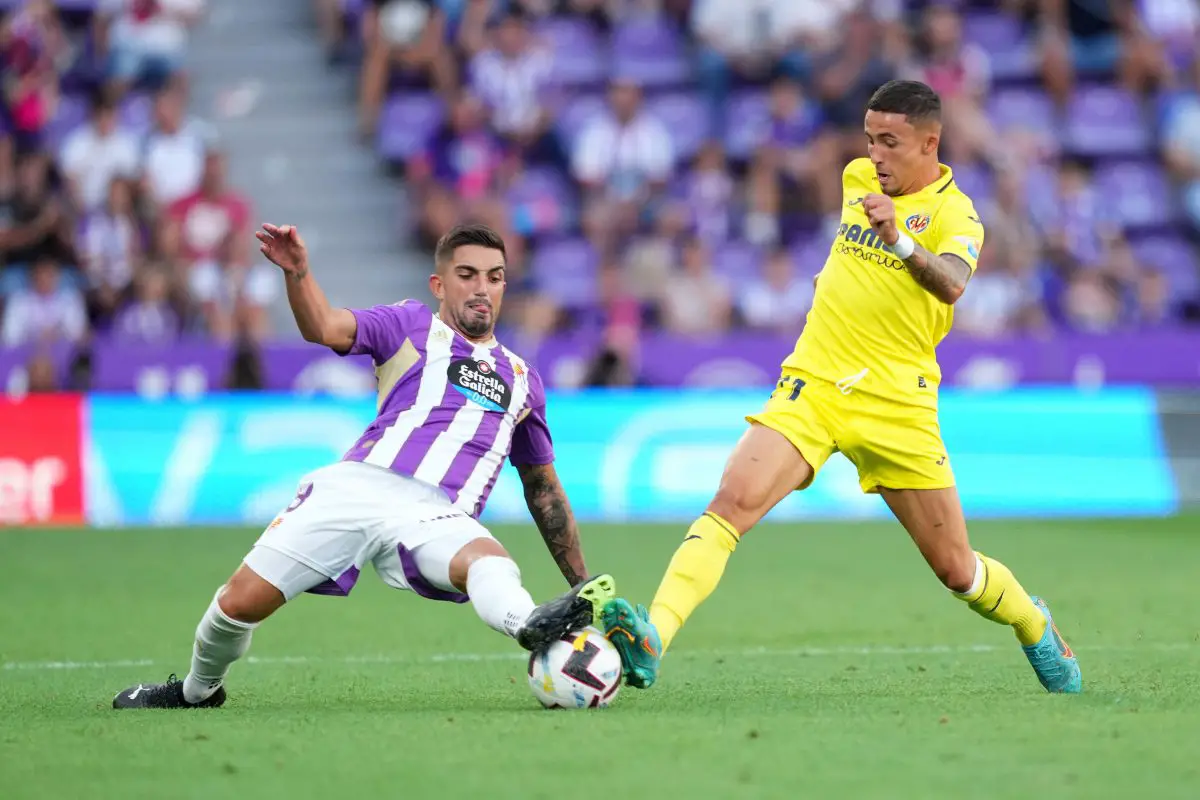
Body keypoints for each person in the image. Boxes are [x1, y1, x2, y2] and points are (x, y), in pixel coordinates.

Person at [600, 80, 1082, 695]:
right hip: (816, 384)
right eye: (870, 139)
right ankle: (652, 638)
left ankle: (1033, 621)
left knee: (957, 570)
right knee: (732, 501)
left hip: (897, 405)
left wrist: (900, 240)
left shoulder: (955, 214)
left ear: (929, 142)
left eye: (891, 142)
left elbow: (954, 283)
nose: (875, 154)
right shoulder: (860, 178)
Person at [112, 222, 616, 709]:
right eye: (467, 275)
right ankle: (196, 692)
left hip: (437, 513)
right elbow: (324, 325)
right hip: (358, 487)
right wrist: (298, 273)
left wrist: (582, 588)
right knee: (235, 606)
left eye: (495, 276)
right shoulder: (409, 324)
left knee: (490, 563)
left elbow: (543, 490)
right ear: (440, 284)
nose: (482, 288)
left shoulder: (525, 380)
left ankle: (528, 623)